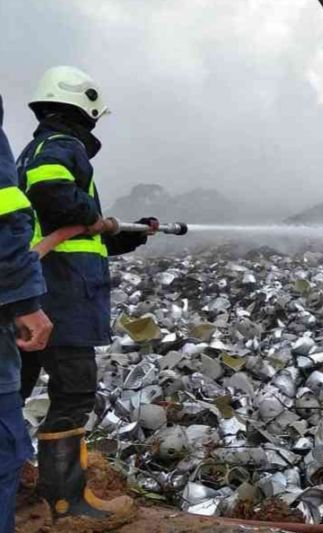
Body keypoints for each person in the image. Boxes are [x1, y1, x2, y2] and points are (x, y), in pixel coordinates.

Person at [17, 66, 153, 525]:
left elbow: (73, 232)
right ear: (85, 107)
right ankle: (66, 502)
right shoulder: (59, 147)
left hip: (40, 293)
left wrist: (126, 234)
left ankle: (15, 481)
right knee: (73, 394)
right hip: (62, 302)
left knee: (14, 388)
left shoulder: (35, 148)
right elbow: (57, 198)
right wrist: (93, 214)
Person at [0, 94, 52, 532]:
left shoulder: (36, 151)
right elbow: (3, 209)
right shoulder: (61, 150)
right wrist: (24, 301)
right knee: (2, 447)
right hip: (63, 290)